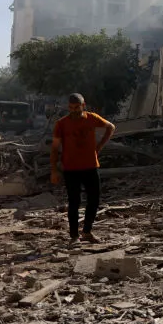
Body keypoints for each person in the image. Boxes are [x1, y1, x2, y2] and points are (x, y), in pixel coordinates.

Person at [50, 93, 115, 245]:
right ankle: (74, 236)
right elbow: (54, 148)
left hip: (91, 166)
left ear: (83, 105)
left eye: (77, 107)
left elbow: (110, 127)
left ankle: (87, 232)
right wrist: (53, 170)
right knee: (74, 202)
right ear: (68, 107)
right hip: (71, 169)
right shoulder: (61, 124)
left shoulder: (92, 118)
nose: (74, 110)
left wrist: (99, 146)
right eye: (71, 108)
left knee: (94, 200)